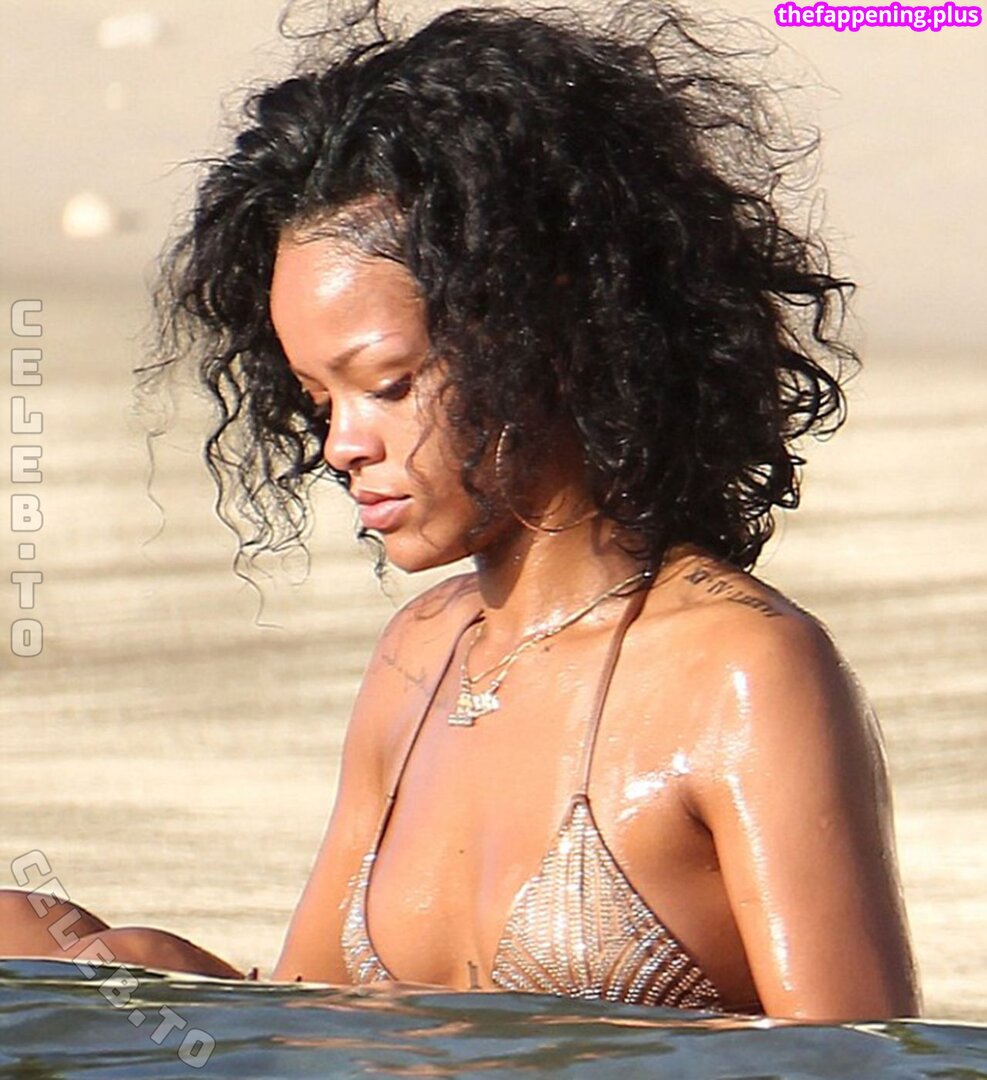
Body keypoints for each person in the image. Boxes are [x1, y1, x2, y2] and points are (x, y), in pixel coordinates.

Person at [0, 2, 919, 1020]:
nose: (341, 444)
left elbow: (857, 1060)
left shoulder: (742, 674)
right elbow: (308, 1019)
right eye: (317, 399)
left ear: (542, 326)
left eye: (387, 384)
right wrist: (142, 964)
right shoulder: (419, 657)